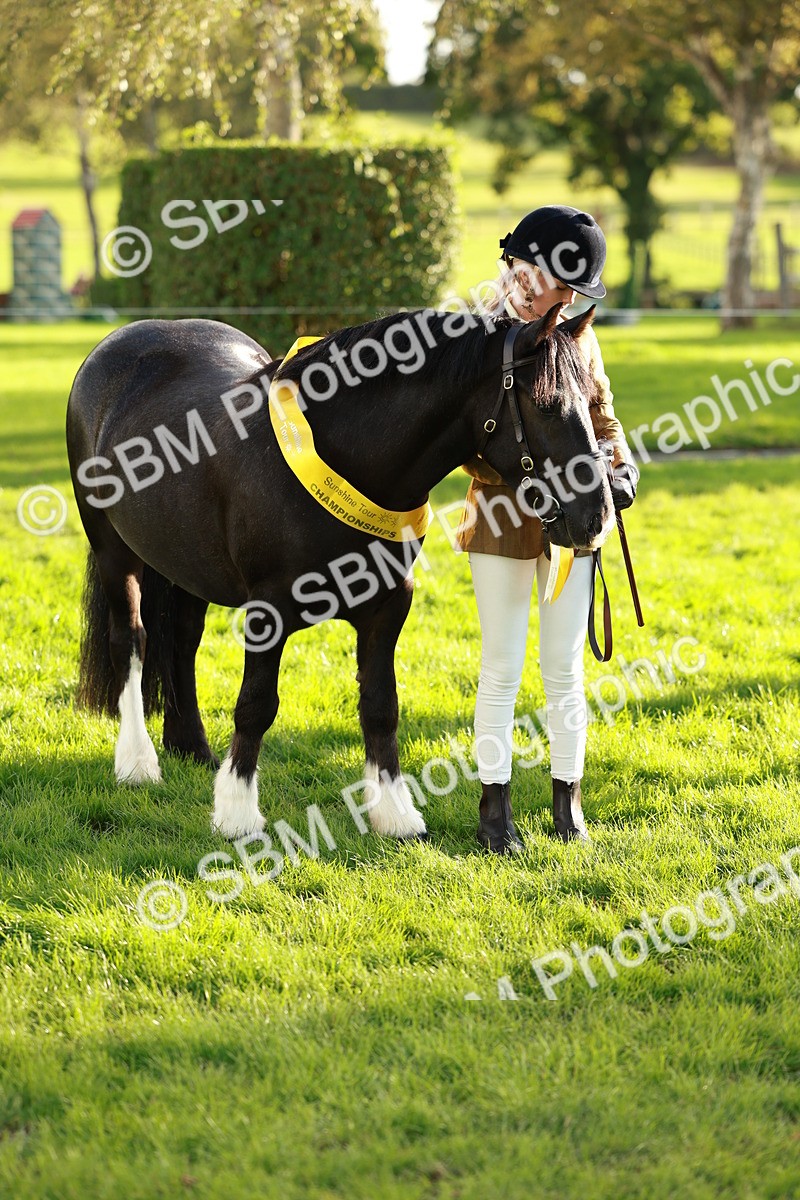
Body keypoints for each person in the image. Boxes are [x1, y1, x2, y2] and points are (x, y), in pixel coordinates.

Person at [456, 205, 639, 853]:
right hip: (503, 522)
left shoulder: (579, 336)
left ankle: (569, 802)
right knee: (501, 667)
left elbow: (604, 419)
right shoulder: (476, 338)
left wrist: (621, 464)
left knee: (563, 668)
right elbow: (465, 447)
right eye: (558, 285)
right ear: (519, 268)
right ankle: (493, 809)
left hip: (576, 530)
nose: (564, 301)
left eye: (571, 291)